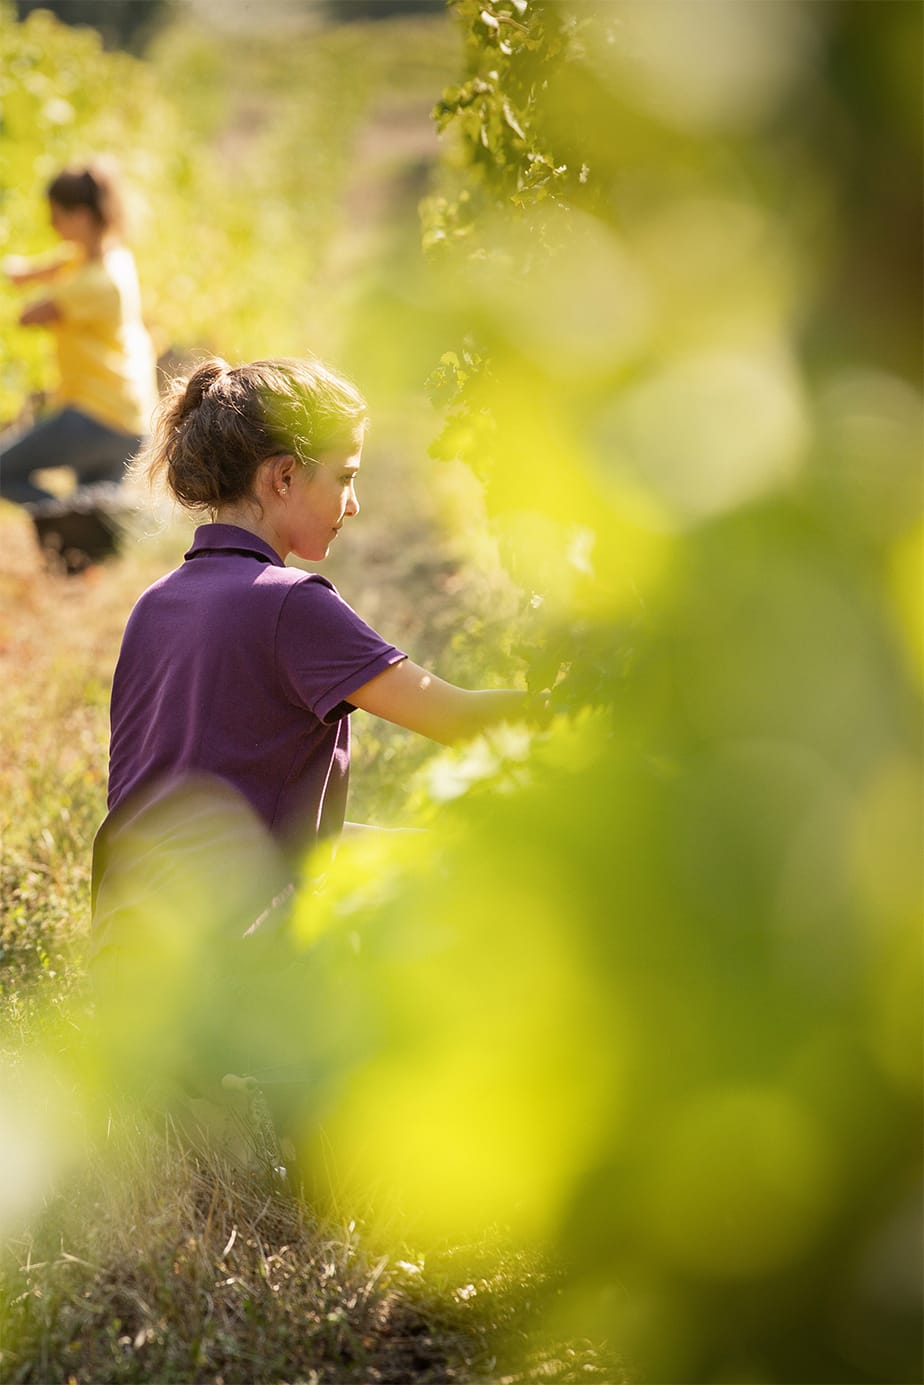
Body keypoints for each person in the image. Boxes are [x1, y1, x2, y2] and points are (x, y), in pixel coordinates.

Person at [90, 355, 539, 1107]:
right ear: (284, 477)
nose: (354, 503)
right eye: (346, 475)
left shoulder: (156, 604)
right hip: (221, 966)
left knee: (389, 853)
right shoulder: (288, 604)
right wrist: (588, 695)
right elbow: (458, 719)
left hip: (132, 972)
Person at [1, 159, 158, 560]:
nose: (52, 225)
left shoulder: (94, 284)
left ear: (82, 216)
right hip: (131, 417)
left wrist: (22, 284)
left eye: (57, 216)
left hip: (96, 413)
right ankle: (84, 545)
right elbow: (52, 264)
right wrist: (23, 273)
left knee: (4, 470)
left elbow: (29, 315)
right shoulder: (111, 259)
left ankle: (71, 523)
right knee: (87, 539)